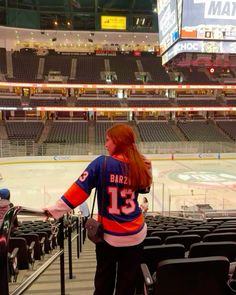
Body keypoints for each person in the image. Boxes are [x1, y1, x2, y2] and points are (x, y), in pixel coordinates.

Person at [43, 123, 152, 295]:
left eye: (108, 140)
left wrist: (54, 210)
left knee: (104, 282)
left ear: (118, 141)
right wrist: (147, 169)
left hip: (110, 237)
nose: (105, 144)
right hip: (136, 235)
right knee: (127, 284)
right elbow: (144, 189)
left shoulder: (102, 163)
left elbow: (79, 190)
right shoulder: (140, 165)